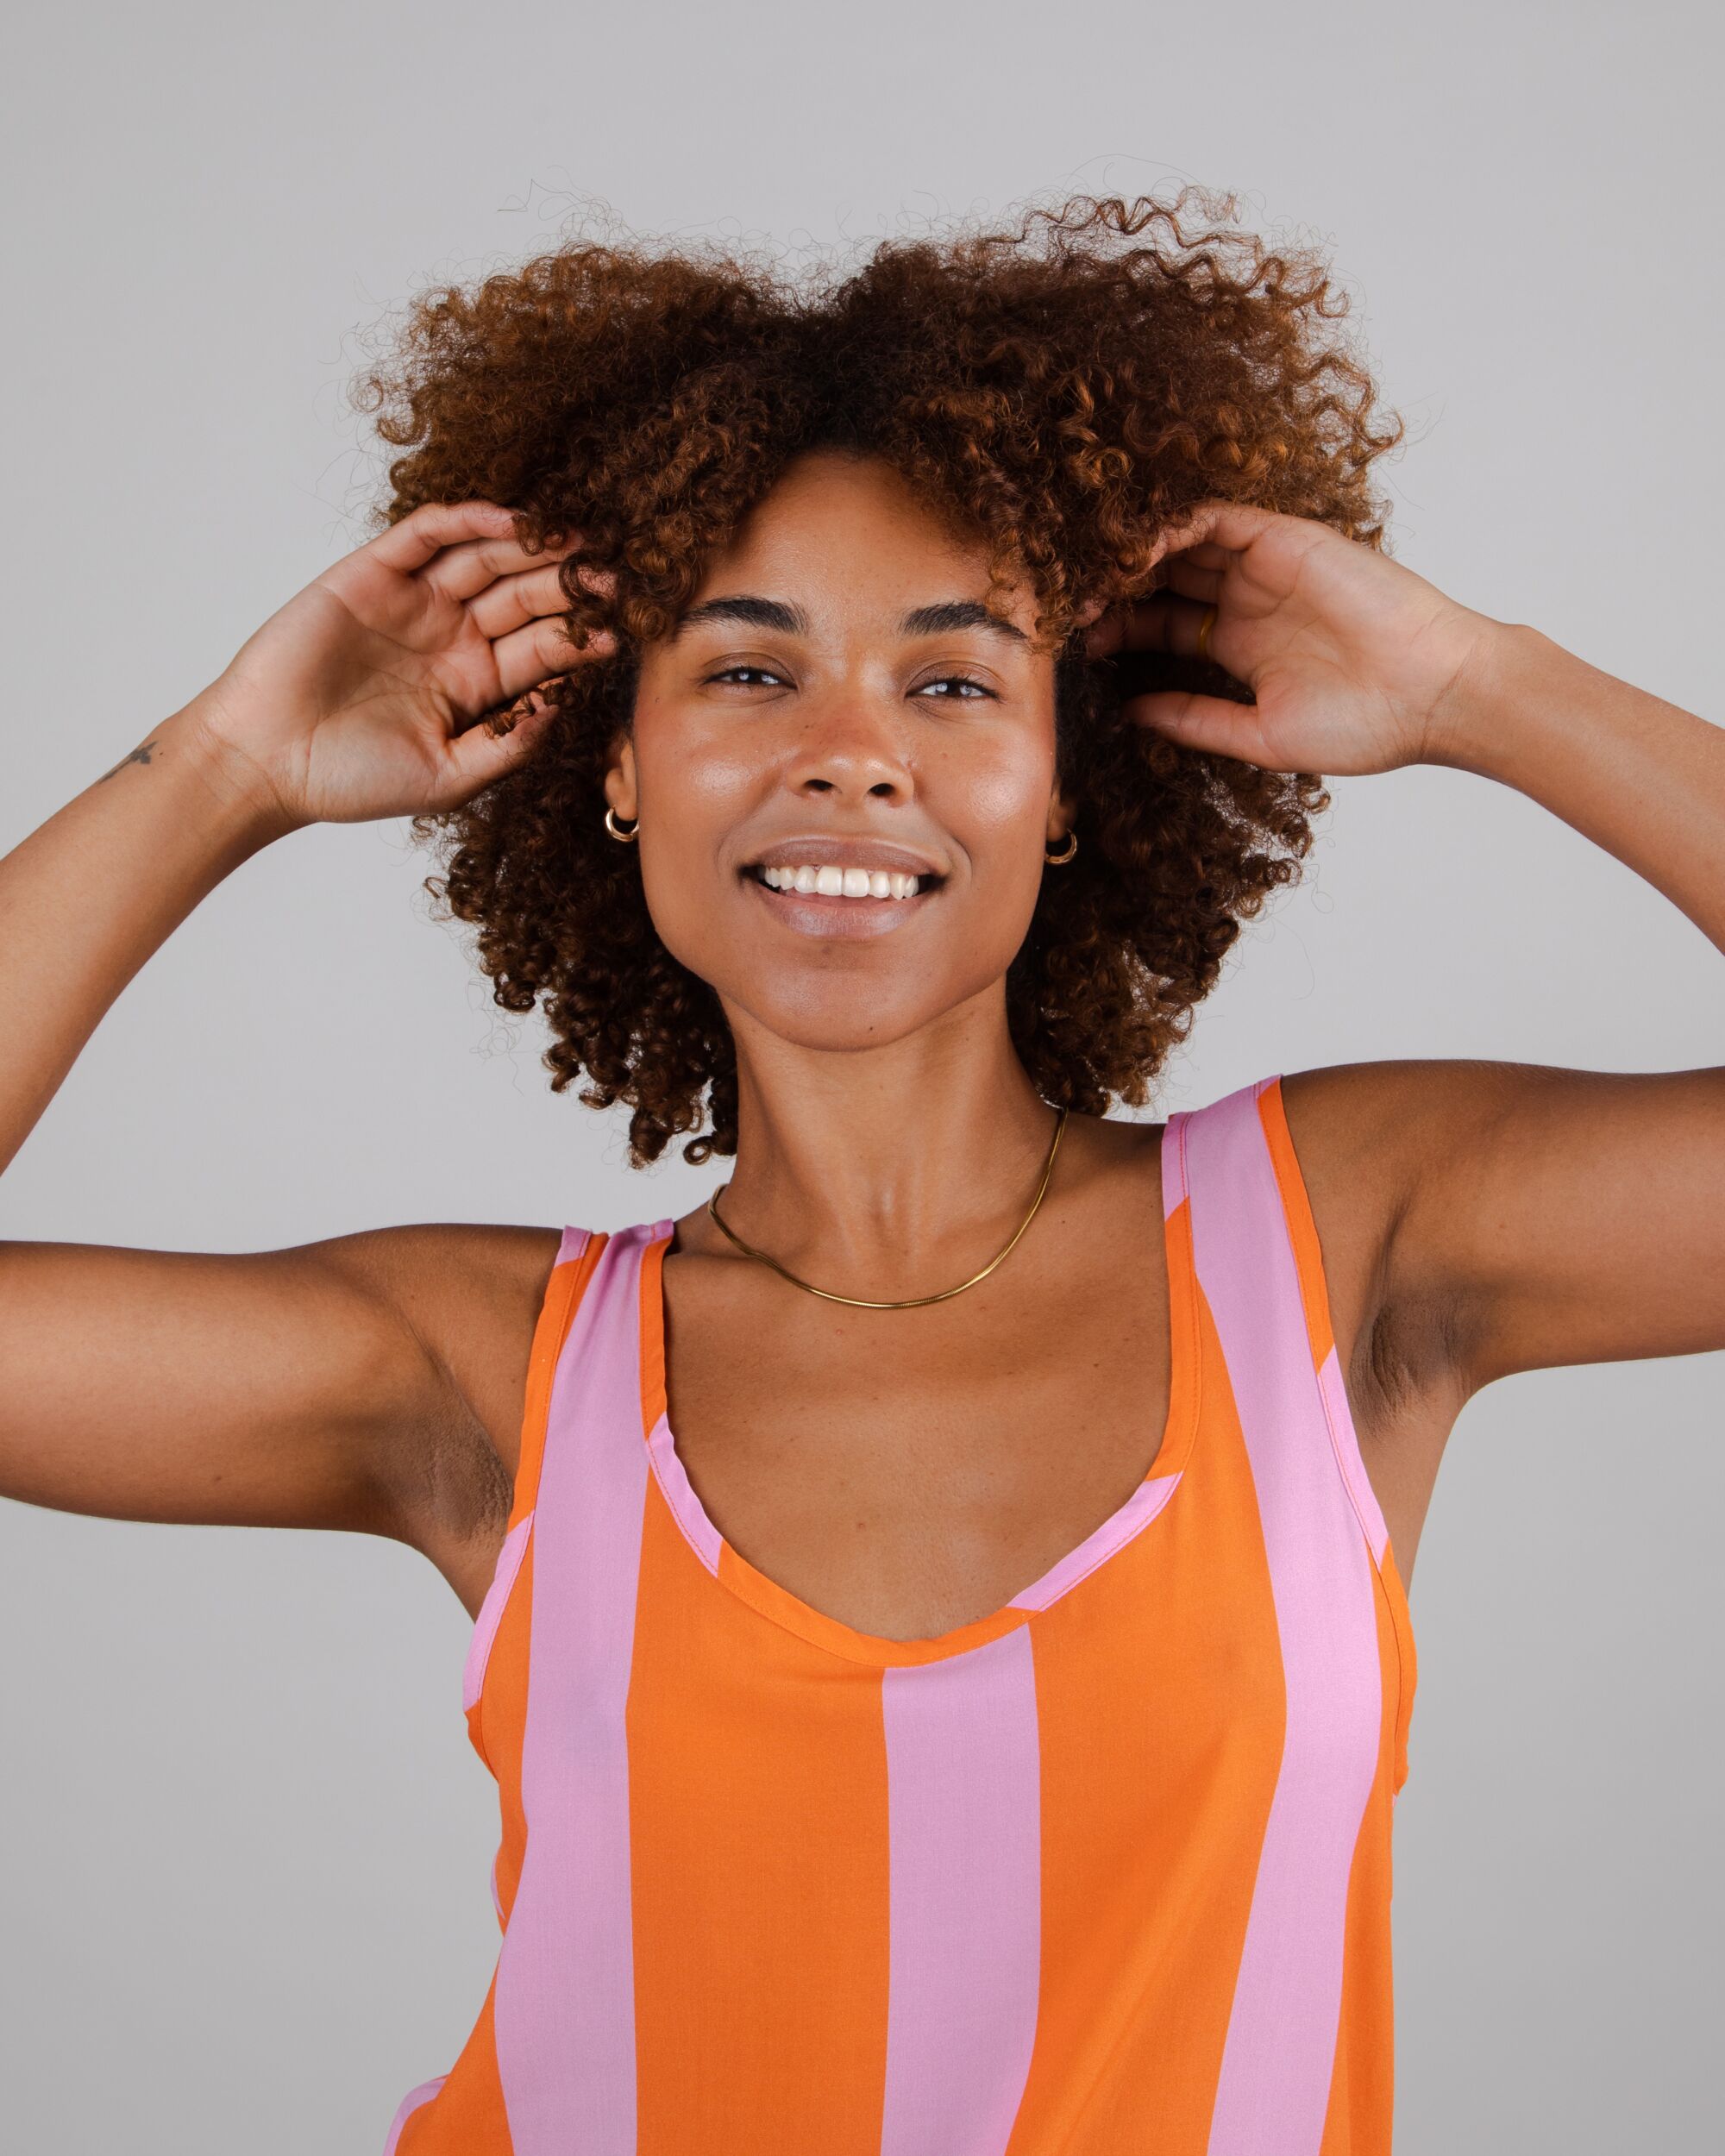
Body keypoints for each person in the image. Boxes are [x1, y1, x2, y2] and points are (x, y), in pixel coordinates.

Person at [1, 193, 1719, 2155]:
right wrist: (223, 766)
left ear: (1064, 778)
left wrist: (1483, 685)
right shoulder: (493, 1373)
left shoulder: (1342, 1246)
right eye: (745, 673)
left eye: (955, 678)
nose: (850, 755)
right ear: (616, 757)